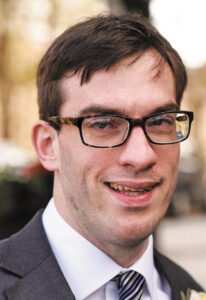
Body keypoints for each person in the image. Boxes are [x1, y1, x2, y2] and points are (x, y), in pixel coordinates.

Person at [0, 13, 203, 300]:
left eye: (160, 121)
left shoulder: (187, 288)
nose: (141, 155)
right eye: (103, 124)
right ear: (48, 145)